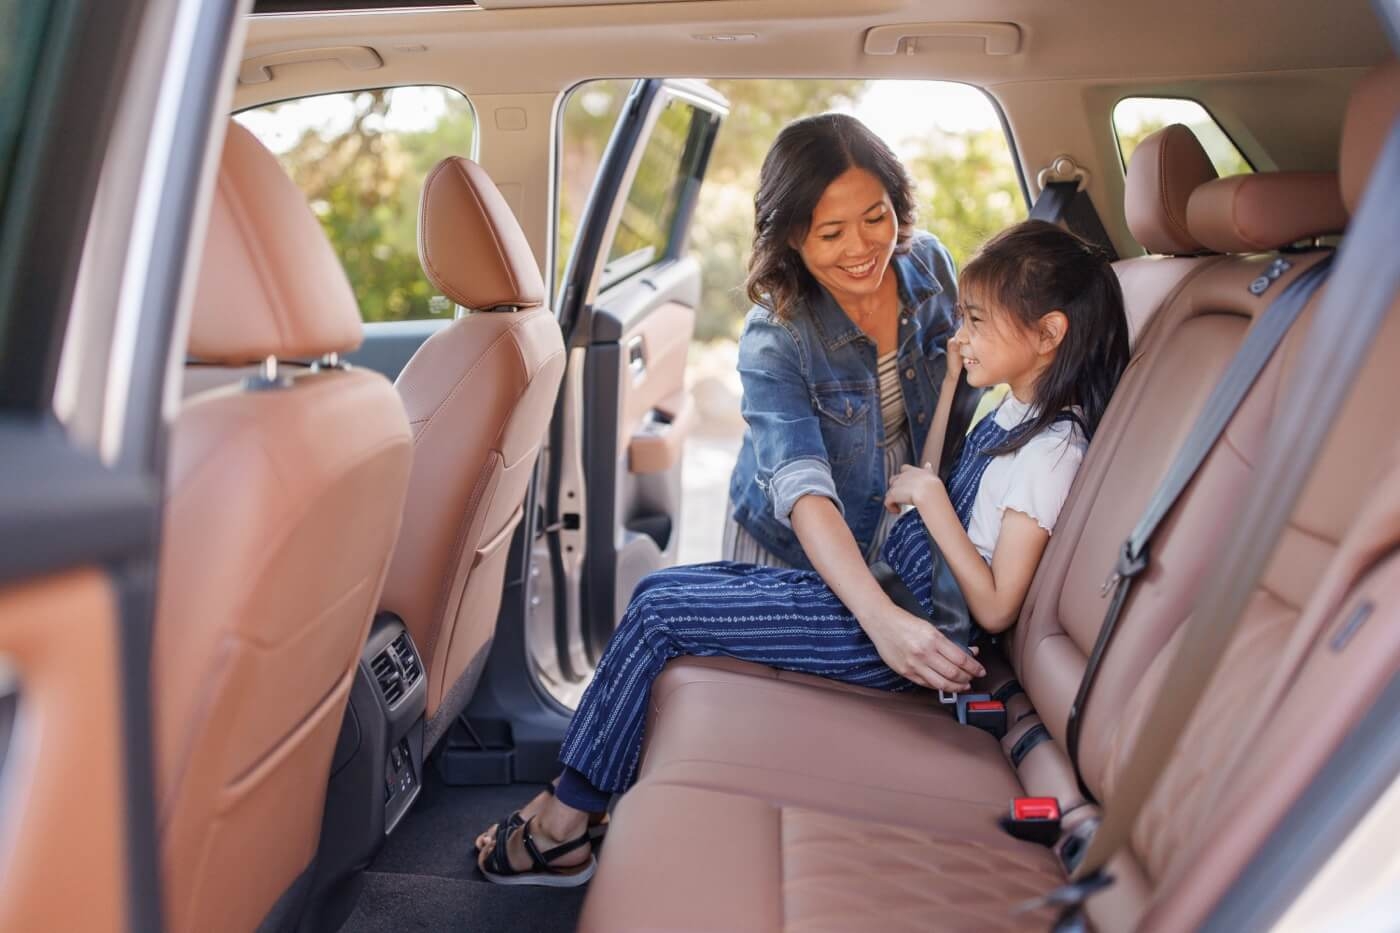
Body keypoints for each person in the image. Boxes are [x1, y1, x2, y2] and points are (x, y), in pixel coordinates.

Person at [474, 220, 1131, 887]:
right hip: (894, 590)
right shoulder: (1018, 409)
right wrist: (947, 417)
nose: (959, 335)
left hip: (910, 637)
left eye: (977, 320)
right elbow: (935, 474)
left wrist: (932, 503)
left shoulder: (1052, 452)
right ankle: (574, 802)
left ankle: (564, 825)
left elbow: (993, 608)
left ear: (1049, 335)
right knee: (656, 595)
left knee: (660, 611)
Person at [723, 113, 981, 576]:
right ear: (791, 237)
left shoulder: (930, 265)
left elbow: (962, 387)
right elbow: (801, 486)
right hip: (795, 536)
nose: (861, 248)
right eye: (831, 233)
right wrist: (880, 619)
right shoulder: (774, 335)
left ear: (895, 205)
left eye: (875, 218)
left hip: (900, 504)